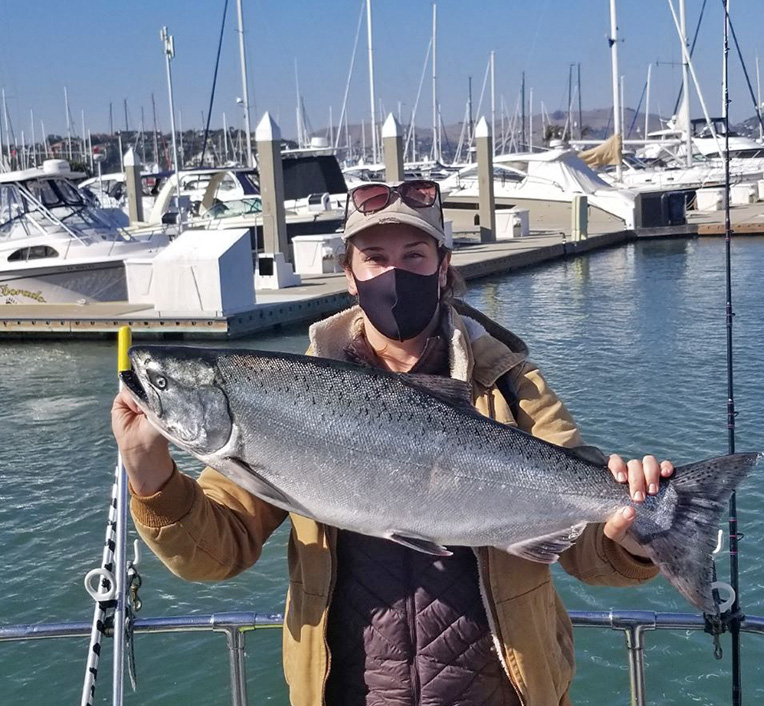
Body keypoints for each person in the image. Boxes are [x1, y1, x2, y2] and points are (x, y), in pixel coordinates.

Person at [112, 179, 674, 706]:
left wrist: (633, 541)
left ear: (443, 266)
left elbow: (583, 543)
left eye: (414, 256)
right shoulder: (284, 396)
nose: (394, 273)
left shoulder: (509, 383)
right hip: (354, 690)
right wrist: (150, 474)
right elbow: (218, 551)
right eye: (375, 258)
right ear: (350, 275)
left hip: (499, 688)